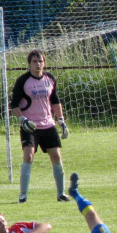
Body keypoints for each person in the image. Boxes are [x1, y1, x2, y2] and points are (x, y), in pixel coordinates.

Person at [10, 49, 70, 203]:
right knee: (28, 155)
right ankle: (23, 195)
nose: (38, 64)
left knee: (56, 156)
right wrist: (22, 120)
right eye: (34, 61)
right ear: (29, 64)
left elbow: (55, 101)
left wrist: (61, 121)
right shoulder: (23, 81)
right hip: (30, 126)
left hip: (48, 125)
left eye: (40, 61)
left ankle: (61, 194)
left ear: (44, 63)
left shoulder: (50, 78)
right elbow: (14, 104)